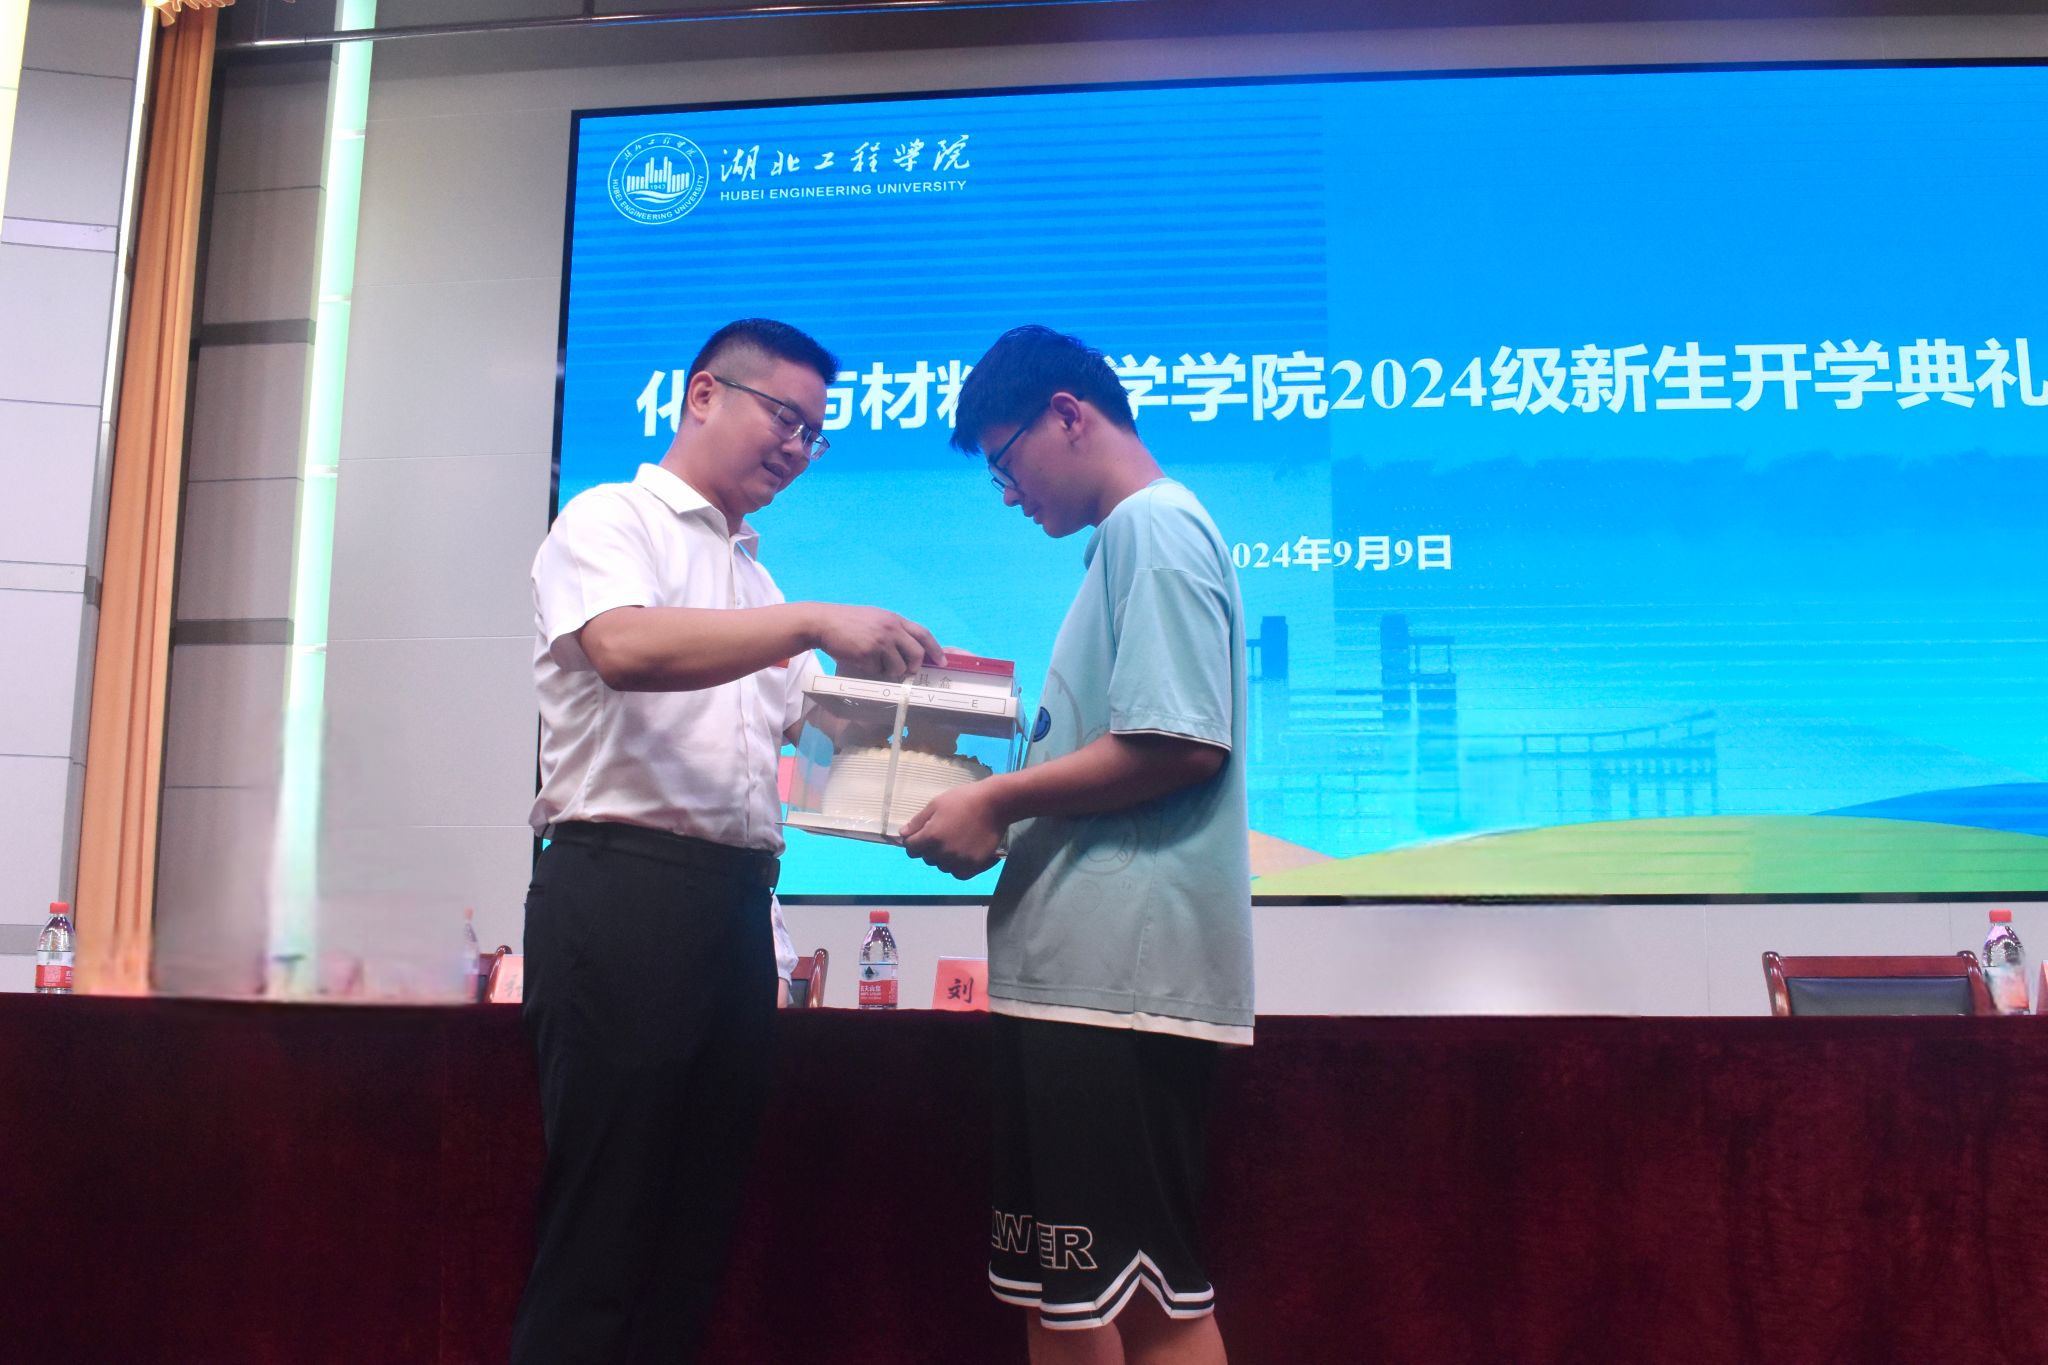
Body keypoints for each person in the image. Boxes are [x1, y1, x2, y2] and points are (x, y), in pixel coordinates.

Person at [512, 318, 942, 1365]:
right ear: (703, 394)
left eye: (814, 436)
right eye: (784, 418)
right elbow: (622, 645)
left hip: (734, 908)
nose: (797, 449)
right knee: (605, 1229)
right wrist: (812, 624)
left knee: (694, 1232)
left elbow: (818, 725)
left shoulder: (754, 579)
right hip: (625, 892)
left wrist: (947, 711)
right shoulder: (610, 518)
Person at [903, 325, 1254, 1365]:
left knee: (1149, 1300)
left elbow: (1179, 744)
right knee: (1064, 1294)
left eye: (1006, 464)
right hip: (1076, 981)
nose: (1009, 495)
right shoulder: (1127, 540)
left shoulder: (1155, 526)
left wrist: (996, 799)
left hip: (1115, 987)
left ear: (1067, 414)